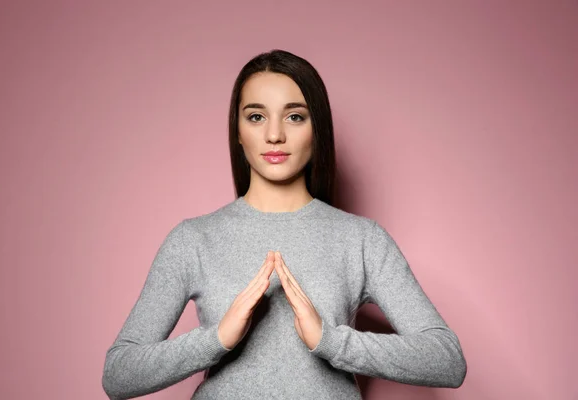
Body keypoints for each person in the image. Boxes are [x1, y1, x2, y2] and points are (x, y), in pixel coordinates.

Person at [101, 49, 467, 399]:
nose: (274, 135)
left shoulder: (362, 239)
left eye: (294, 116)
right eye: (256, 116)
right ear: (238, 131)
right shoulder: (193, 239)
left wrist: (331, 341)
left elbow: (446, 359)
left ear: (316, 128)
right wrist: (216, 339)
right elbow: (118, 374)